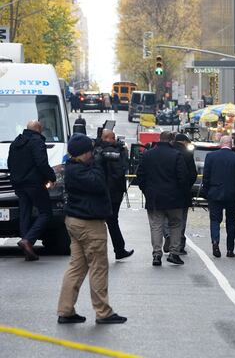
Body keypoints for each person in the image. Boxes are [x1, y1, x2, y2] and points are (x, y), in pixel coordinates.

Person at [57, 133, 127, 325]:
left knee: (76, 267)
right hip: (89, 224)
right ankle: (103, 312)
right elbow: (98, 183)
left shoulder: (72, 167)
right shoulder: (80, 171)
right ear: (83, 153)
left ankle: (66, 310)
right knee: (98, 267)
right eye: (90, 151)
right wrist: (98, 161)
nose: (92, 154)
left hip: (76, 222)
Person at [137, 131, 189, 266]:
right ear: (172, 140)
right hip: (174, 197)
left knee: (156, 225)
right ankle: (174, 253)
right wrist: (183, 194)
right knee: (176, 224)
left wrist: (147, 191)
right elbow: (183, 178)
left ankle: (156, 254)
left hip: (154, 197)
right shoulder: (177, 155)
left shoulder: (148, 154)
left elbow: (140, 176)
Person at [8, 120, 57, 261]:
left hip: (19, 184)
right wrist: (51, 177)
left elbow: (10, 163)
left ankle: (26, 246)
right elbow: (41, 162)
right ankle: (28, 240)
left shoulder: (15, 143)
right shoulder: (37, 141)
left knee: (25, 213)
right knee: (45, 213)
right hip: (34, 184)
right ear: (38, 128)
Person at [202, 135, 235, 258]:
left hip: (215, 193)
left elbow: (206, 176)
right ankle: (230, 249)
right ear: (231, 144)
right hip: (232, 194)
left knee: (215, 220)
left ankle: (215, 241)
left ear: (220, 143)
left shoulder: (211, 157)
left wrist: (206, 191)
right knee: (231, 221)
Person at [94, 130, 133, 261]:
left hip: (101, 191)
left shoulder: (96, 149)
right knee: (111, 220)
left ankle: (116, 249)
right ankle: (119, 249)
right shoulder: (116, 151)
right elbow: (120, 170)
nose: (115, 139)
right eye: (113, 137)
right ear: (108, 138)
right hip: (113, 191)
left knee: (102, 221)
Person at [165, 133, 198, 256]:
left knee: (164, 217)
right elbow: (193, 174)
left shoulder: (167, 152)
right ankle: (179, 244)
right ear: (184, 142)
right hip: (183, 193)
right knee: (180, 220)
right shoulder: (187, 154)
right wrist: (188, 187)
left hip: (166, 191)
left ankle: (168, 235)